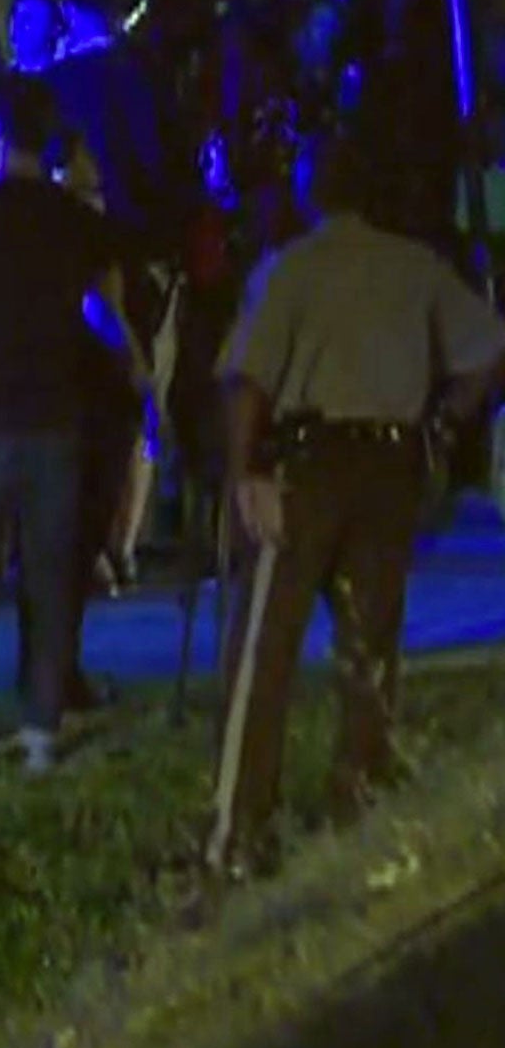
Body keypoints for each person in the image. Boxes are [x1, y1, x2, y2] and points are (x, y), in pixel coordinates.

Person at [204, 124, 505, 879]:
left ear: (311, 185)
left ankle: (239, 829)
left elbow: (248, 379)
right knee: (371, 641)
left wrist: (244, 473)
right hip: (393, 461)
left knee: (266, 648)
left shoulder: (291, 269)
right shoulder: (415, 267)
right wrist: (444, 419)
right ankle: (361, 791)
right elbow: (488, 347)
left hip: (309, 461)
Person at [0, 73, 126, 791]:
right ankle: (40, 731)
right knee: (48, 577)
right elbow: (106, 309)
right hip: (56, 418)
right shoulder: (77, 222)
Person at [7, 0, 65, 76]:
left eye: (31, 16)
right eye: (17, 15)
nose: (20, 24)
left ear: (55, 27)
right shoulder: (0, 84)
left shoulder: (69, 80)